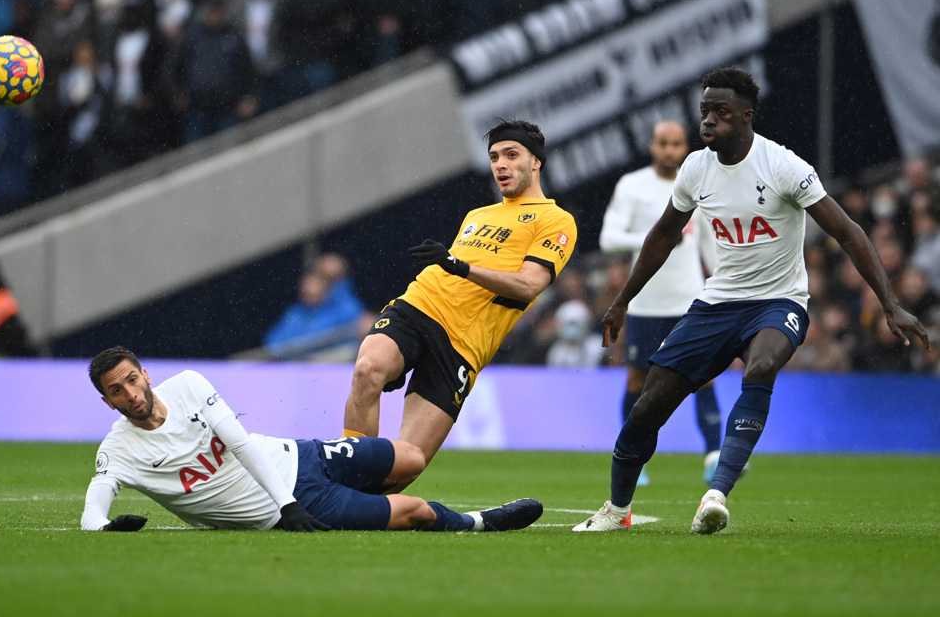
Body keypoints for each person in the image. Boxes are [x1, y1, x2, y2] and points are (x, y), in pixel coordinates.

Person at [573, 67, 930, 535]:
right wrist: (622, 301)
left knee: (761, 367)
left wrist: (888, 302)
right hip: (718, 302)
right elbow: (662, 235)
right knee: (647, 406)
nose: (708, 121)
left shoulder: (784, 166)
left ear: (746, 117)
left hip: (779, 301)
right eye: (704, 111)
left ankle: (715, 495)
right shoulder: (697, 169)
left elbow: (848, 232)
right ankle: (617, 511)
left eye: (720, 112)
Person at [342, 119, 578, 486]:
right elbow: (450, 276)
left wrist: (460, 265)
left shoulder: (556, 220)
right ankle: (343, 482)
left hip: (463, 346)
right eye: (494, 157)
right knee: (367, 371)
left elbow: (529, 286)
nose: (500, 164)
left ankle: (364, 494)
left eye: (511, 155)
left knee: (408, 465)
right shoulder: (477, 216)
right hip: (419, 306)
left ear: (536, 162)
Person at [81, 346, 543, 533]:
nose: (130, 394)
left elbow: (241, 445)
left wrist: (286, 501)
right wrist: (103, 527)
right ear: (108, 402)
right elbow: (93, 505)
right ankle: (481, 523)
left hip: (301, 456)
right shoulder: (119, 450)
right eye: (116, 391)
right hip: (293, 507)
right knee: (416, 510)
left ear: (145, 374)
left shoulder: (187, 385)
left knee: (411, 458)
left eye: (131, 380)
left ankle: (359, 497)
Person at [598, 120, 723, 486]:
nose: (669, 150)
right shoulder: (632, 186)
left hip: (690, 302)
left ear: (686, 146)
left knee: (705, 377)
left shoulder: (698, 183)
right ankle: (632, 458)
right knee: (638, 379)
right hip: (645, 304)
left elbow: (709, 247)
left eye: (676, 143)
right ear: (652, 146)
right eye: (663, 143)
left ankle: (714, 455)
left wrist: (723, 288)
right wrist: (658, 234)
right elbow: (608, 238)